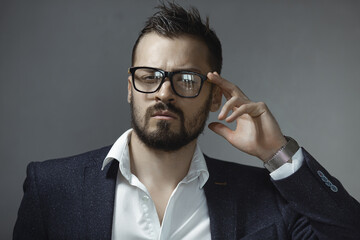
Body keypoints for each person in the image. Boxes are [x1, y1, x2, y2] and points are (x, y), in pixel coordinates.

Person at [13, 2, 360, 240]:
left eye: (187, 80)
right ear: (130, 89)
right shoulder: (52, 189)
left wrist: (277, 152)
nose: (164, 93)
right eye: (149, 76)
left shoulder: (266, 201)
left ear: (213, 97)